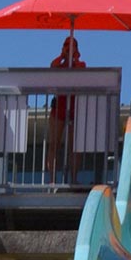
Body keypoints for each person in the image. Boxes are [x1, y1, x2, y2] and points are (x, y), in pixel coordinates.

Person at [47, 36, 86, 184]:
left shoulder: (80, 64)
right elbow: (52, 67)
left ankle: (74, 179)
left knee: (74, 147)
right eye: (66, 46)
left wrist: (74, 59)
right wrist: (63, 56)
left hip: (75, 109)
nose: (69, 48)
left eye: (72, 46)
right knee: (54, 144)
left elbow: (82, 71)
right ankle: (51, 180)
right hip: (59, 108)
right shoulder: (59, 65)